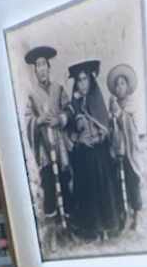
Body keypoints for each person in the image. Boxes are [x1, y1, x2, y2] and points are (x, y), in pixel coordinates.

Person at [67, 60, 120, 241]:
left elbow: (105, 126)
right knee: (87, 190)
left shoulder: (97, 99)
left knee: (104, 188)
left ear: (90, 81)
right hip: (84, 155)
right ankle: (92, 230)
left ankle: (108, 227)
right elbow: (70, 131)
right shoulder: (74, 104)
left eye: (85, 79)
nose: (82, 84)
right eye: (79, 80)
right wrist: (79, 139)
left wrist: (98, 137)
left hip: (100, 153)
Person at [24, 45, 72, 242]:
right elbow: (28, 119)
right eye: (38, 66)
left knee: (65, 182)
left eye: (44, 64)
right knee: (50, 186)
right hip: (45, 149)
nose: (42, 69)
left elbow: (69, 110)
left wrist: (60, 119)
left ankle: (69, 226)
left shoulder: (59, 89)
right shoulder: (32, 95)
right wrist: (38, 121)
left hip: (60, 146)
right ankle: (54, 232)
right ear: (35, 71)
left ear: (49, 67)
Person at [107, 63, 143, 232]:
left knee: (132, 181)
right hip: (118, 148)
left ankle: (136, 215)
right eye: (117, 84)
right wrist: (112, 118)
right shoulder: (113, 105)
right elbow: (111, 125)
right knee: (119, 182)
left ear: (128, 86)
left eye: (122, 83)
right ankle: (123, 213)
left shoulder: (132, 105)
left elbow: (131, 125)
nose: (120, 87)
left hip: (130, 149)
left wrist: (119, 115)